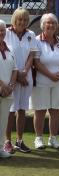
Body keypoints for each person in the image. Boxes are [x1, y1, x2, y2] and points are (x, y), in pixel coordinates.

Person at [29, 13, 59, 149]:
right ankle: (38, 139)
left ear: (56, 26)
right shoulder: (35, 40)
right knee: (40, 111)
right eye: (48, 22)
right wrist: (51, 75)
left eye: (53, 23)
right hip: (41, 82)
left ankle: (53, 139)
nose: (50, 25)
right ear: (42, 25)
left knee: (56, 111)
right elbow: (36, 62)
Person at [4, 7, 37, 153]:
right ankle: (7, 142)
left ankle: (19, 141)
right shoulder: (6, 33)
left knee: (22, 110)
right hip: (10, 77)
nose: (22, 22)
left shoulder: (31, 34)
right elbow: (6, 55)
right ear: (14, 20)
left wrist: (24, 72)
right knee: (10, 111)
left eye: (25, 20)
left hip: (26, 77)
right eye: (19, 19)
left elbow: (32, 55)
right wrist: (17, 75)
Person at [0, 20, 17, 158]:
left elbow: (15, 69)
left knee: (3, 120)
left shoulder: (9, 47)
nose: (1, 33)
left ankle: (0, 148)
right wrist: (2, 85)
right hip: (1, 88)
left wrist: (10, 85)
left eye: (3, 30)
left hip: (7, 92)